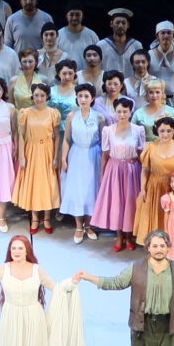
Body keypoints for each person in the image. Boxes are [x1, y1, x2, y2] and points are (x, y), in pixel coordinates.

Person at [92, 97, 144, 250]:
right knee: (117, 203)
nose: (122, 114)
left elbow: (141, 154)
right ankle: (119, 236)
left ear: (130, 112)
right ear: (114, 112)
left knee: (130, 202)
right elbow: (105, 155)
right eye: (119, 111)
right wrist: (103, 175)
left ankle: (129, 236)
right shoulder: (108, 130)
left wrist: (144, 175)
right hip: (114, 170)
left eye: (125, 111)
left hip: (132, 170)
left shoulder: (138, 130)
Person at [13, 82, 62, 236]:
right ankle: (34, 218)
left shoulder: (53, 113)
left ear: (47, 96)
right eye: (36, 95)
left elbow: (57, 136)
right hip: (31, 150)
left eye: (42, 95)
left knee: (47, 183)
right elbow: (21, 135)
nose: (39, 98)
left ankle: (47, 218)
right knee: (34, 183)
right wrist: (22, 155)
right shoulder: (25, 112)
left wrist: (56, 156)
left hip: (47, 150)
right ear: (32, 96)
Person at [131, 115, 174, 243]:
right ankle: (156, 244)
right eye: (162, 131)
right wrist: (143, 189)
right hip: (154, 187)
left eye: (169, 131)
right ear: (157, 130)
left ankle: (172, 243)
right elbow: (145, 170)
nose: (165, 134)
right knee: (155, 214)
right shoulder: (150, 147)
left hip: (173, 188)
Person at [59, 83, 102, 242]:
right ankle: (78, 226)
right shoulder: (71, 116)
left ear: (92, 98)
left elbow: (103, 141)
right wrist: (63, 158)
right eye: (80, 96)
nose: (83, 99)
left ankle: (89, 225)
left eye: (86, 96)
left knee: (91, 190)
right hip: (76, 154)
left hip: (93, 155)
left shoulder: (99, 117)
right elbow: (66, 139)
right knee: (77, 189)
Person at [148, 20, 174, 104]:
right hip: (154, 100)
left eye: (169, 33)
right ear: (157, 35)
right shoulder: (149, 55)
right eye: (163, 33)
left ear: (173, 35)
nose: (166, 36)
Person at [96, 8, 140, 77]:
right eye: (117, 22)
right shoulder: (101, 45)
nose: (120, 26)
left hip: (130, 82)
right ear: (111, 24)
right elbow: (97, 68)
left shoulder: (136, 45)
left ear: (128, 25)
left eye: (123, 23)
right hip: (108, 82)